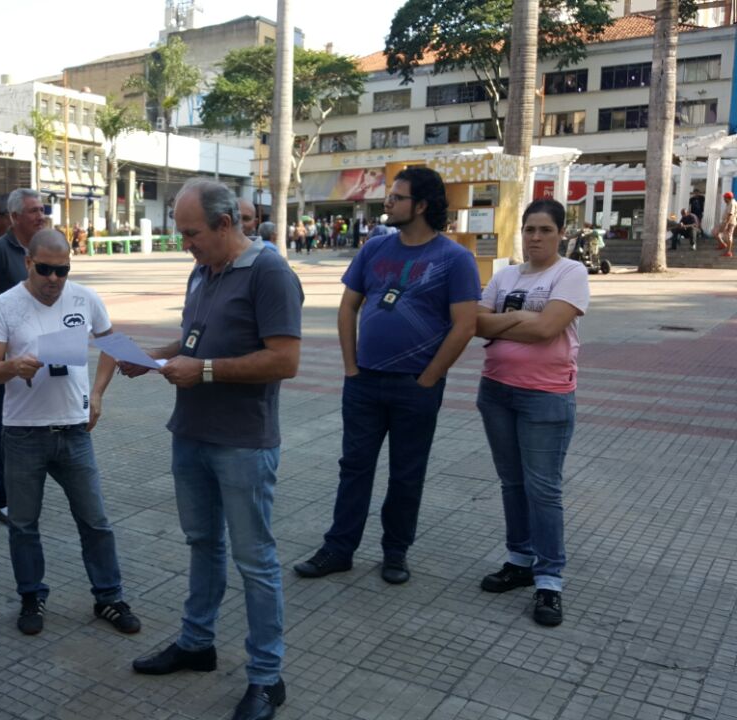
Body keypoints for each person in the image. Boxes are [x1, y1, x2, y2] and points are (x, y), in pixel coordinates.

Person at [127, 179, 303, 720]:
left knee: (256, 561)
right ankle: (196, 643)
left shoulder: (271, 273)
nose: (185, 245)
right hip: (192, 433)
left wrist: (201, 371)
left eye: (192, 234)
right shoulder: (203, 270)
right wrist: (153, 357)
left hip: (242, 443)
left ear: (226, 224)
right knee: (202, 543)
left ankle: (267, 677)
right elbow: (195, 341)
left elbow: (285, 360)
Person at [294, 166, 479, 586]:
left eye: (397, 197)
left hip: (416, 387)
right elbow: (348, 307)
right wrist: (350, 367)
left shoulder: (455, 259)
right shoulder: (375, 248)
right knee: (353, 468)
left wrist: (429, 379)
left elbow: (465, 325)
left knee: (406, 473)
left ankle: (395, 552)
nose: (388, 203)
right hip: (364, 382)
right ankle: (339, 549)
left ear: (422, 205)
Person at [0, 228, 141, 637]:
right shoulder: (4, 306)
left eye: (62, 270)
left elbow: (112, 343)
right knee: (23, 524)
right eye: (46, 269)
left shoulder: (84, 299)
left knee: (95, 520)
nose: (54, 279)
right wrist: (13, 366)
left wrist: (97, 394)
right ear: (28, 263)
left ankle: (109, 597)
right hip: (23, 433)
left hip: (73, 430)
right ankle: (31, 596)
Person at [474, 198, 589, 628]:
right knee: (512, 483)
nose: (536, 237)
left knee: (543, 489)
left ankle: (549, 581)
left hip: (546, 396)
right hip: (496, 392)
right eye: (529, 229)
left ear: (561, 234)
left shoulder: (570, 273)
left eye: (545, 230)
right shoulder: (504, 275)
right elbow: (476, 325)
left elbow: (547, 329)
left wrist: (505, 318)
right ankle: (520, 561)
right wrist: (522, 318)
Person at [0, 188, 48, 524]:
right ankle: (5, 498)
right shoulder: (0, 251)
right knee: (8, 425)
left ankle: (27, 486)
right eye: (33, 211)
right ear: (15, 217)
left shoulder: (42, 247)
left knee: (32, 423)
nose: (41, 215)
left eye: (42, 209)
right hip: (8, 360)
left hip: (39, 356)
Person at [716, 191, 735, 257]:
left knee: (729, 236)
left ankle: (729, 252)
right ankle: (722, 244)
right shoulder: (729, 203)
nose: (724, 200)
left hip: (730, 222)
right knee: (716, 232)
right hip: (725, 222)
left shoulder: (732, 203)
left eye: (724, 198)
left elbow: (730, 214)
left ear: (728, 198)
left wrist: (726, 224)